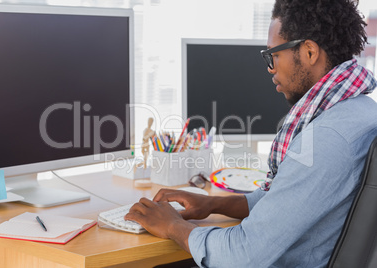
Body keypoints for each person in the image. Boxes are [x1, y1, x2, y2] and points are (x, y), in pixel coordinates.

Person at [125, 0, 377, 267]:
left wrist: (173, 225)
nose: (270, 68)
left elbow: (242, 254)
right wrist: (213, 204)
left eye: (274, 54)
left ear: (309, 52)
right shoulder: (361, 111)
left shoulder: (326, 138)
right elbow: (285, 201)